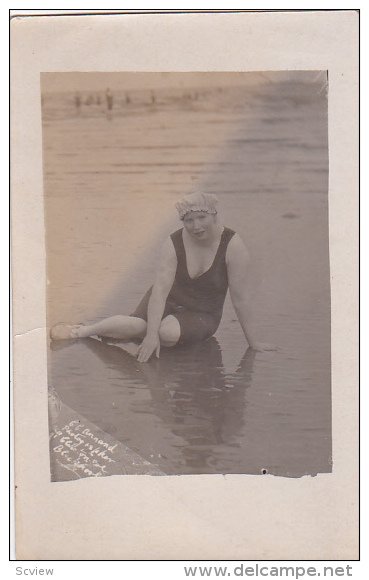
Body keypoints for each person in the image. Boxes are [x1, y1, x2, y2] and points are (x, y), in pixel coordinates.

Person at [50, 192, 276, 362]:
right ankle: (81, 331)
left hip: (203, 313)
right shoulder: (173, 242)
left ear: (214, 215)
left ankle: (138, 332)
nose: (196, 226)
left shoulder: (233, 246)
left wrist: (253, 343)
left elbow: (240, 299)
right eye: (189, 221)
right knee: (143, 326)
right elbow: (160, 290)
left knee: (164, 332)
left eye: (201, 218)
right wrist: (150, 336)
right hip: (166, 300)